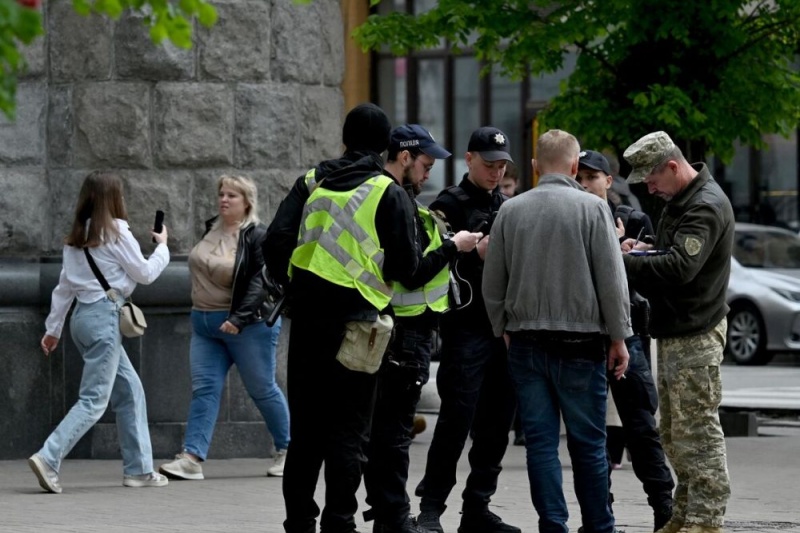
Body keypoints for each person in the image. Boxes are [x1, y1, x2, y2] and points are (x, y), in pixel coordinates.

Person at [264, 103, 422, 533]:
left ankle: (299, 521)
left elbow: (275, 240)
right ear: (385, 146)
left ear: (345, 139)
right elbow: (406, 269)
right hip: (359, 326)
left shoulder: (313, 182)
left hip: (308, 323)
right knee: (349, 432)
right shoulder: (386, 191)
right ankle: (340, 521)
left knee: (306, 432)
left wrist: (293, 284)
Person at [482, 129, 631, 533]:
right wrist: (619, 337)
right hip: (582, 342)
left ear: (533, 167)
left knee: (541, 445)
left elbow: (492, 282)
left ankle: (553, 524)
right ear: (574, 167)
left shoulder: (511, 211)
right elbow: (611, 281)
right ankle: (599, 525)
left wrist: (504, 326)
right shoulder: (593, 209)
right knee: (588, 444)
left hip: (526, 342)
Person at [363, 124, 482, 533]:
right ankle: (394, 520)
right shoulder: (393, 196)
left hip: (394, 331)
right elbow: (410, 274)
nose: (429, 172)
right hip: (404, 334)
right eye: (425, 163)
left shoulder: (391, 194)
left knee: (382, 433)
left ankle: (386, 514)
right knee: (393, 435)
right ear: (403, 156)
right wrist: (455, 247)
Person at [621, 131, 734, 533]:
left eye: (651, 180)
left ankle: (704, 521)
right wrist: (644, 249)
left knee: (697, 434)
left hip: (695, 333)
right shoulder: (682, 199)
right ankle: (684, 514)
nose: (649, 189)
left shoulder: (704, 206)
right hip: (679, 330)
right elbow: (670, 253)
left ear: (672, 166)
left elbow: (679, 270)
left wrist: (624, 262)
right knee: (674, 432)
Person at [31, 170, 170, 494]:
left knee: (130, 390)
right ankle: (48, 457)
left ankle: (139, 470)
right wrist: (162, 246)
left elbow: (64, 288)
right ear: (114, 198)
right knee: (94, 400)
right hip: (105, 320)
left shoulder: (78, 235)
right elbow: (146, 273)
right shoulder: (118, 232)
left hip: (81, 319)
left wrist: (53, 329)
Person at [415, 126, 520, 533]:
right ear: (470, 159)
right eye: (490, 164)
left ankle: (477, 506)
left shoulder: (509, 206)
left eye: (502, 165)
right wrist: (471, 253)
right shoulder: (447, 205)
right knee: (455, 421)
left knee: (497, 424)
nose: (496, 172)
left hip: (503, 330)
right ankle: (430, 509)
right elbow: (431, 265)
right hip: (465, 329)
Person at [158, 175, 290, 481]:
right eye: (221, 194)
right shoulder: (211, 228)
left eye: (232, 195)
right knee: (204, 390)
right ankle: (191, 458)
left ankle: (288, 450)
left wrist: (239, 318)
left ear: (247, 202)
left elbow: (261, 281)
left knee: (262, 388)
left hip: (247, 327)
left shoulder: (257, 235)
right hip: (205, 325)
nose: (224, 200)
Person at [577, 150, 675, 531]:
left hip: (627, 334)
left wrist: (621, 252)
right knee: (591, 433)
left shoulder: (632, 220)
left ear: (608, 180)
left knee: (641, 427)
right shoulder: (572, 218)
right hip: (584, 335)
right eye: (579, 176)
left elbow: (652, 277)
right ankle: (600, 514)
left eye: (592, 177)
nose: (585, 184)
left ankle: (663, 508)